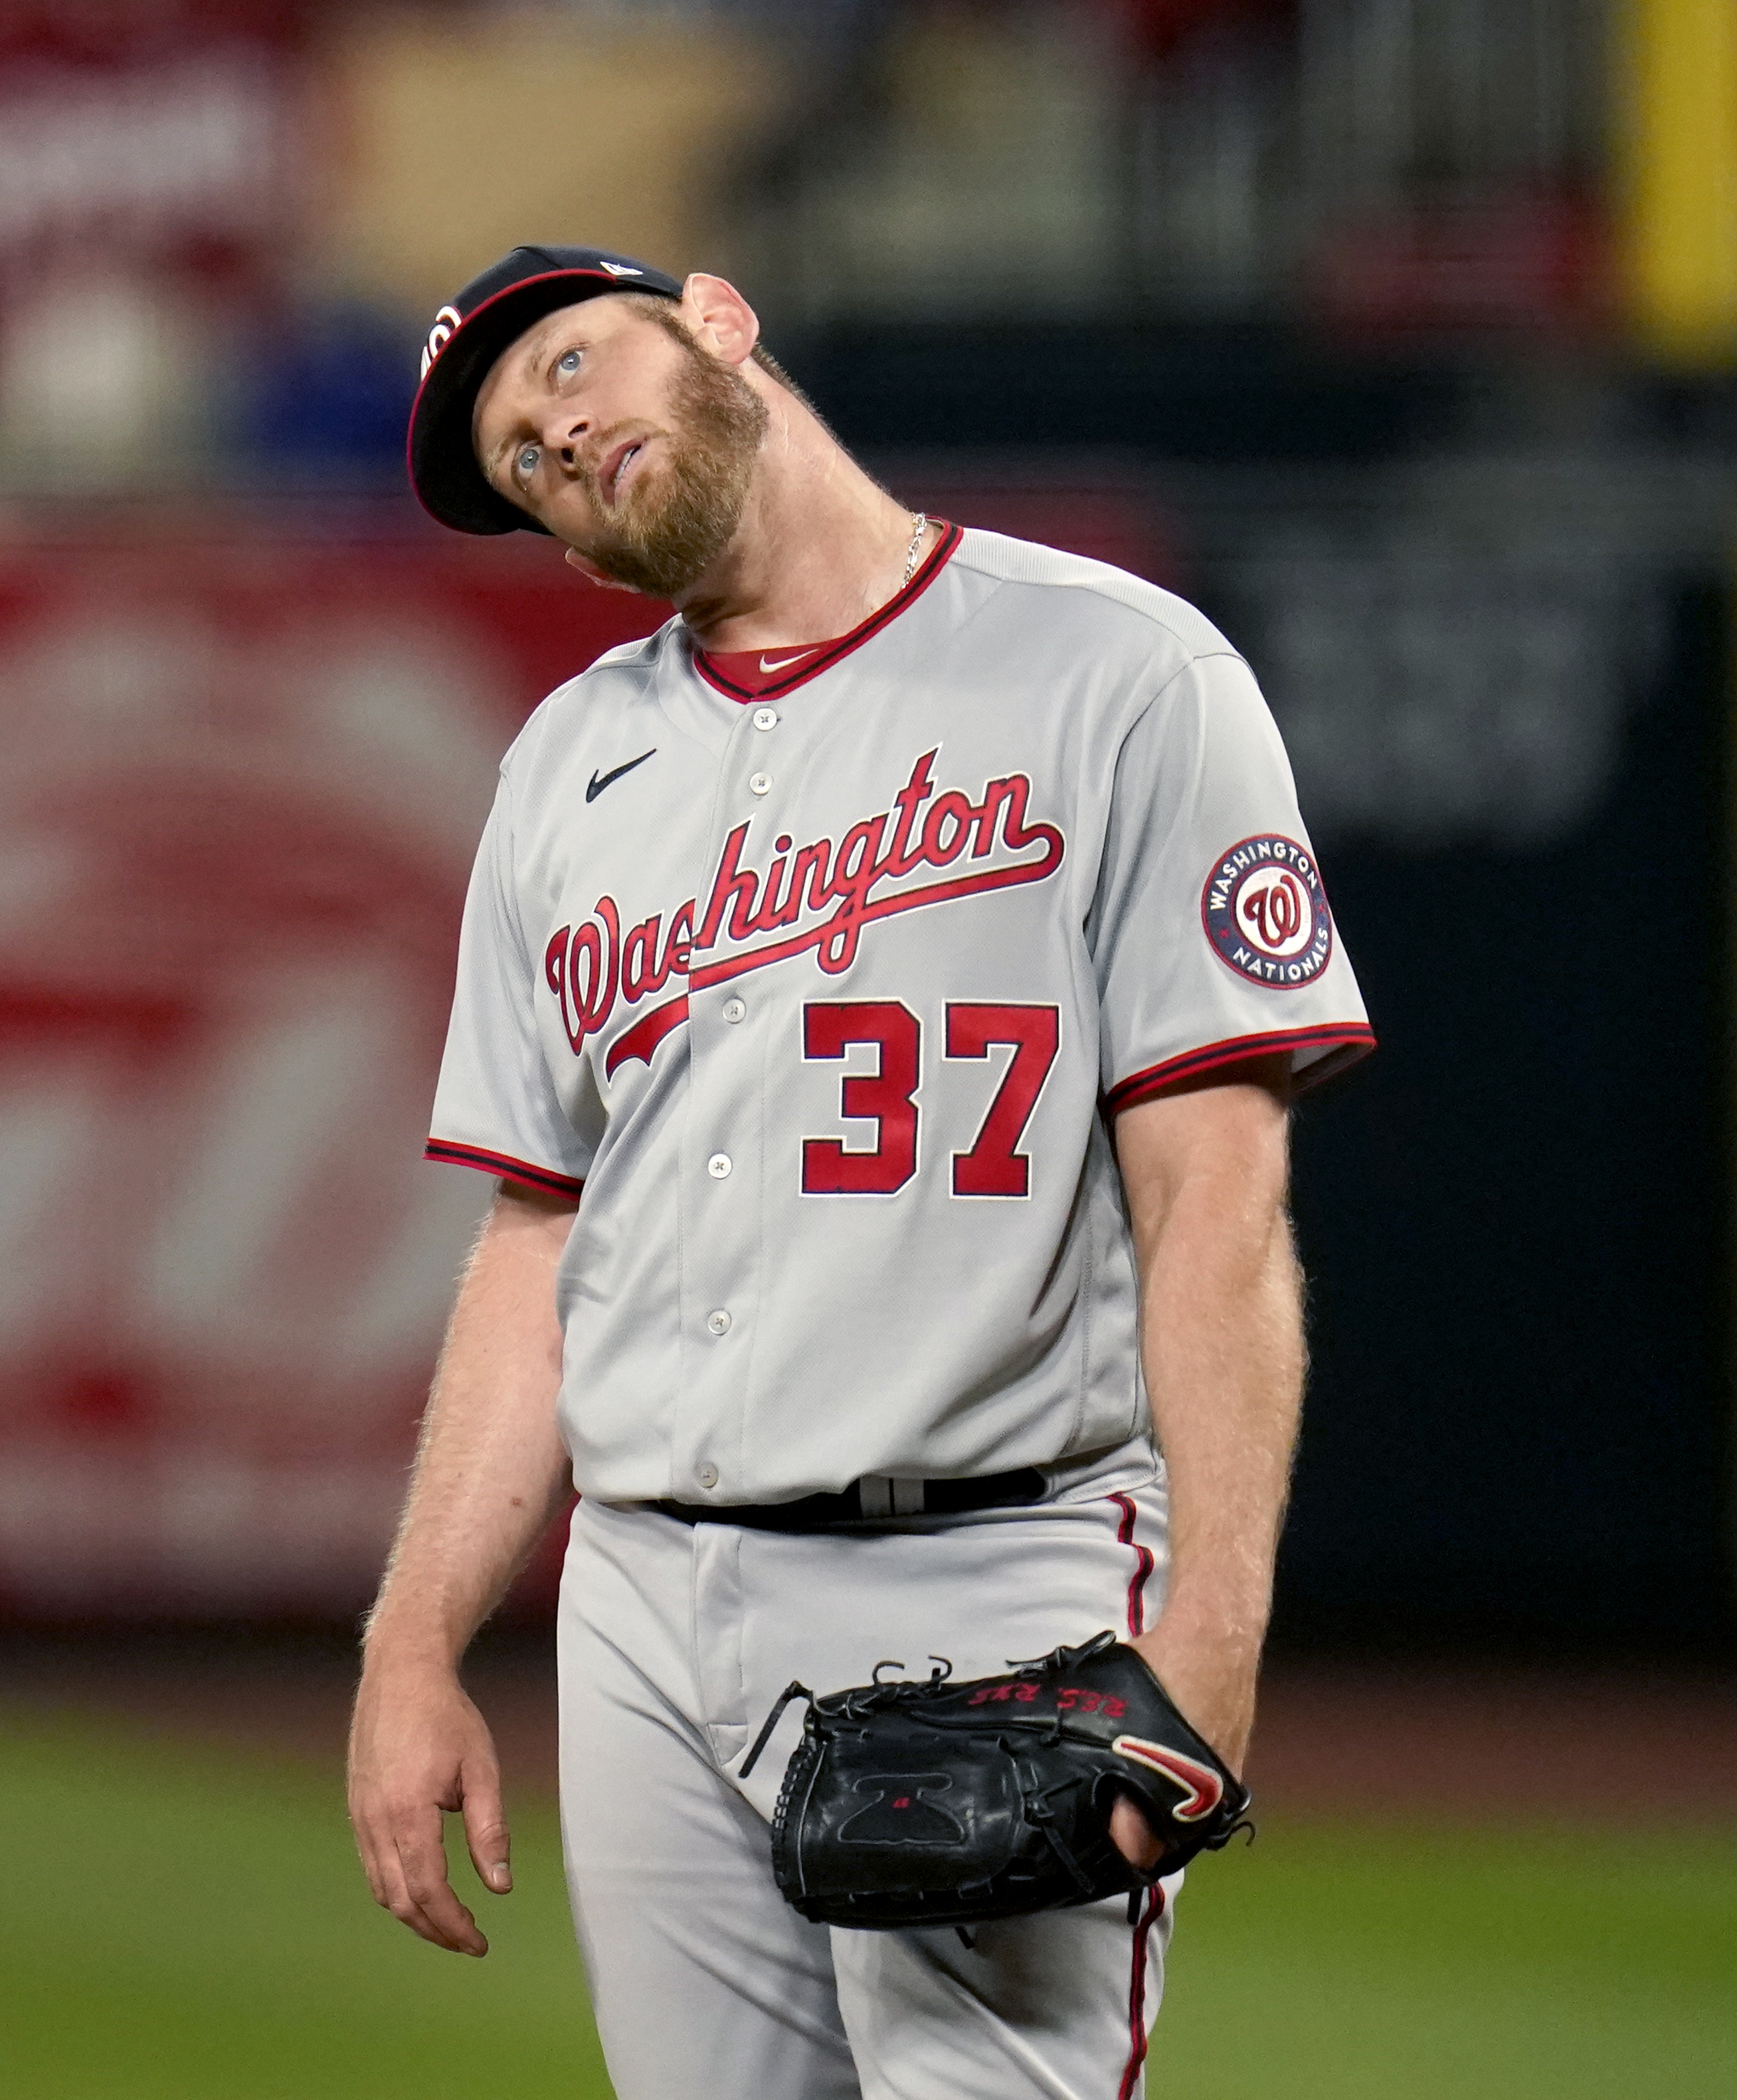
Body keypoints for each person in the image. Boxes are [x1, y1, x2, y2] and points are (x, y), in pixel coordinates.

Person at [345, 245, 1374, 2099]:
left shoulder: (1120, 673)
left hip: (995, 1572)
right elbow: (538, 1237)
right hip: (644, 1605)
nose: (559, 436)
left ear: (719, 321)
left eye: (573, 364)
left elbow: (1215, 1204)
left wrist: (1210, 1638)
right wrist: (413, 1638)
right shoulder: (565, 771)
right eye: (518, 460)